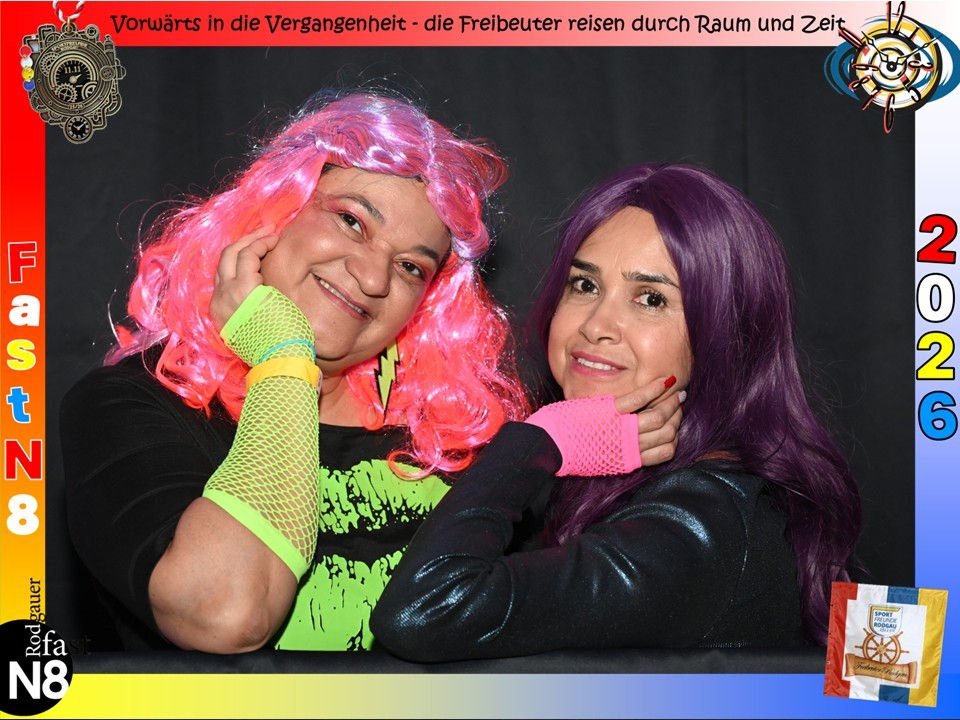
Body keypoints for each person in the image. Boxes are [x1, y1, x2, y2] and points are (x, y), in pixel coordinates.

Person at [60, 91, 536, 653]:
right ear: (274, 212)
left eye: (411, 266)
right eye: (352, 221)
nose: (373, 277)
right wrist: (284, 359)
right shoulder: (130, 405)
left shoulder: (454, 445)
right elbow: (226, 614)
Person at [370, 163, 863, 661]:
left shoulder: (702, 522)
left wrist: (539, 441)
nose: (596, 325)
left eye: (650, 299)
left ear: (724, 336)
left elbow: (421, 611)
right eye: (585, 285)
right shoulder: (620, 485)